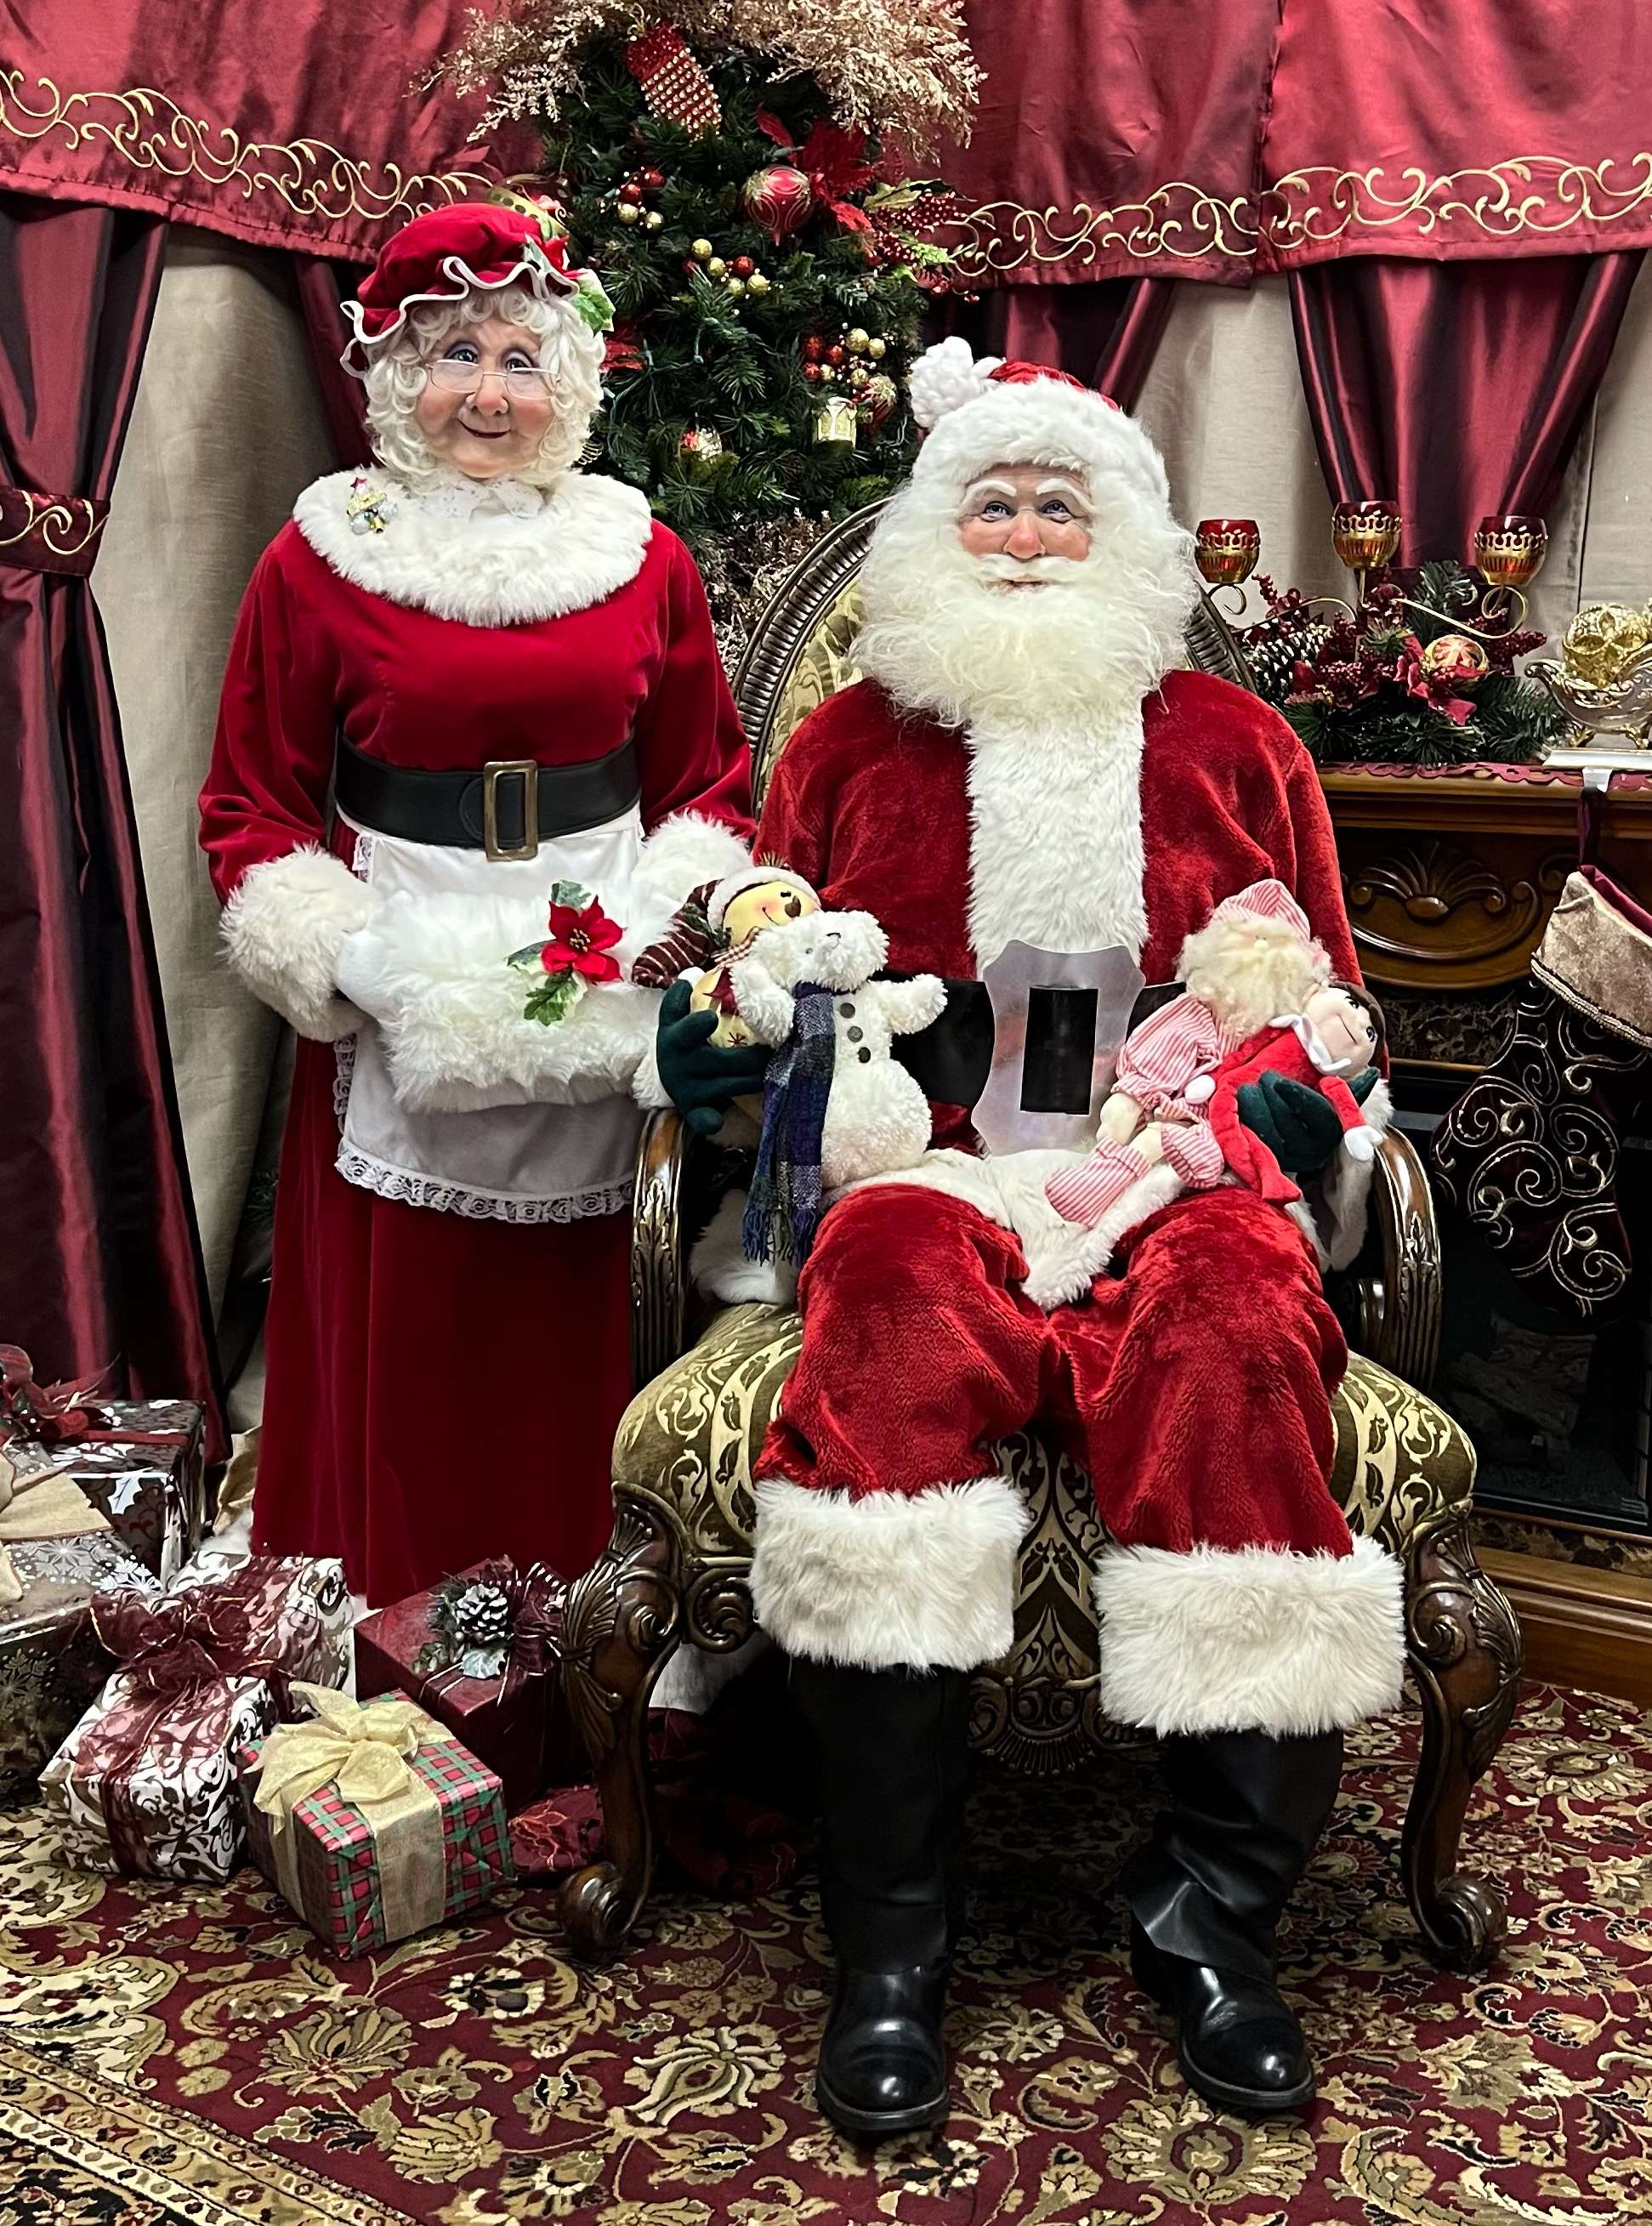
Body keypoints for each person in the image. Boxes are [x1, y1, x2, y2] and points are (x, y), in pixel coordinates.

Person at [654, 339, 1404, 2136]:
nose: (1023, 532)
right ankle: (894, 1936)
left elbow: (1331, 1021)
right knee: (888, 1314)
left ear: (1127, 533)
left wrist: (1266, 1126)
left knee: (1237, 1329)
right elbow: (760, 1000)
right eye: (989, 498)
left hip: (1177, 1174)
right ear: (932, 527)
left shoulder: (1243, 746)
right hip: (927, 1167)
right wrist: (730, 1051)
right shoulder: (843, 747)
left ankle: (1215, 1917)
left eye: (1062, 502)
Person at [199, 202, 754, 1608]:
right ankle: (409, 1626)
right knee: (423, 1332)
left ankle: (605, 1637)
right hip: (406, 965)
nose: (491, 393)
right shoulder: (321, 556)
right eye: (456, 355)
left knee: (587, 1317)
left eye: (520, 355)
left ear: (565, 380)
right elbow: (251, 806)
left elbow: (711, 784)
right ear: (397, 373)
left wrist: (683, 924)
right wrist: (356, 959)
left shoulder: (642, 552)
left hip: (610, 959)